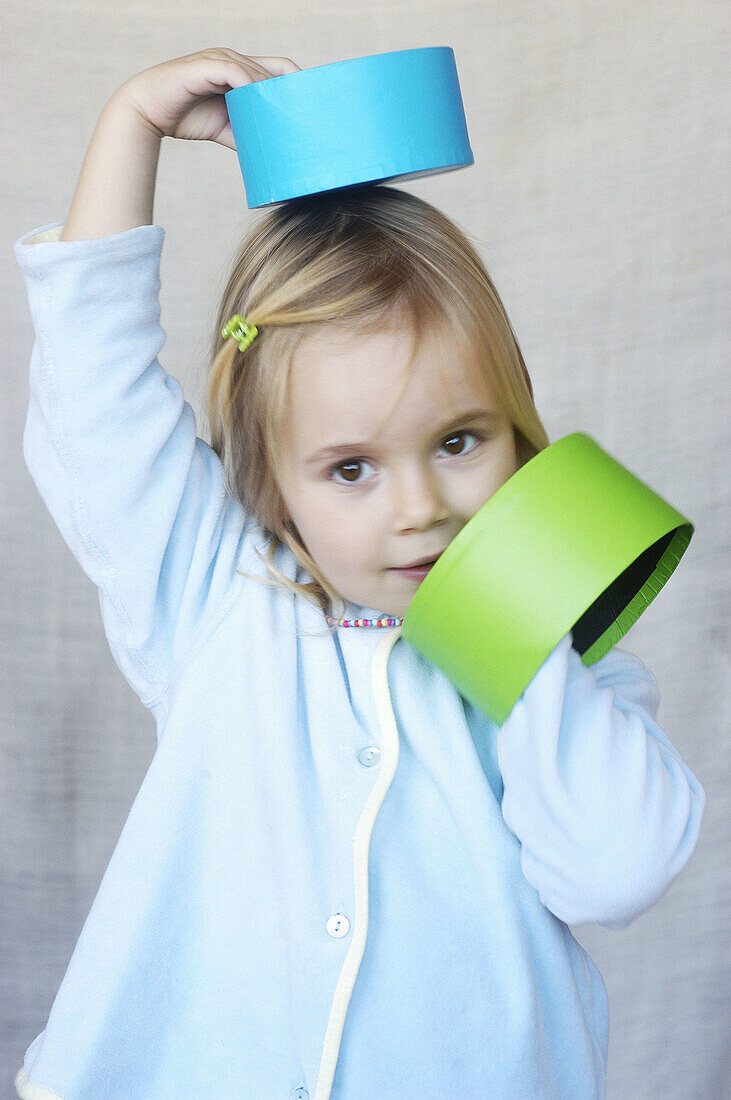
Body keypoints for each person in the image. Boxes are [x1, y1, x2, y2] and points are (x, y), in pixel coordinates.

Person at [13, 48, 705, 1100]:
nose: (418, 506)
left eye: (460, 441)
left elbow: (616, 868)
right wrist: (131, 125)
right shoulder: (211, 594)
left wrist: (523, 619)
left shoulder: (567, 678)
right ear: (273, 479)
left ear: (518, 429)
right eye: (349, 467)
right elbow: (93, 394)